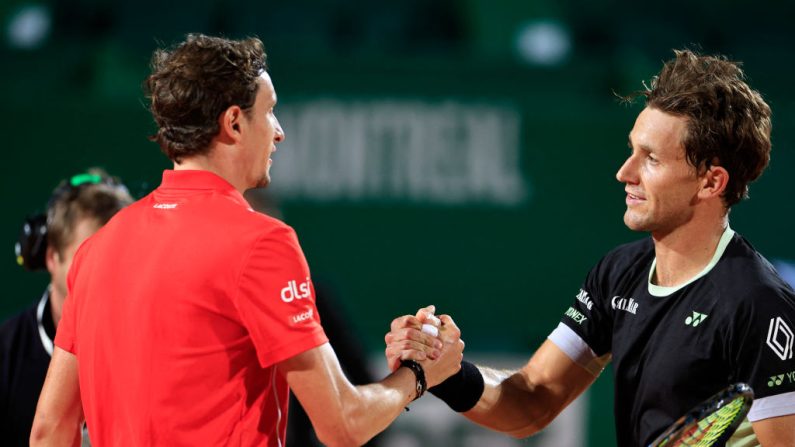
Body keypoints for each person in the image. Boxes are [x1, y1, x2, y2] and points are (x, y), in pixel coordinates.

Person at [30, 34, 463, 447]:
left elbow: (49, 431)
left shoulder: (97, 248)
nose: (279, 132)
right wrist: (420, 375)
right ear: (234, 122)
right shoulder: (262, 243)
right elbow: (342, 424)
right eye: (270, 111)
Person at [385, 49, 795, 446]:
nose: (624, 172)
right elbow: (532, 398)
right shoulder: (617, 275)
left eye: (650, 158)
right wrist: (449, 374)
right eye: (631, 150)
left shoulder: (757, 306)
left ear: (711, 182)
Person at [0, 169, 133, 446]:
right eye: (87, 257)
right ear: (51, 257)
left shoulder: (155, 338)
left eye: (120, 256)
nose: (109, 274)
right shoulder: (6, 355)